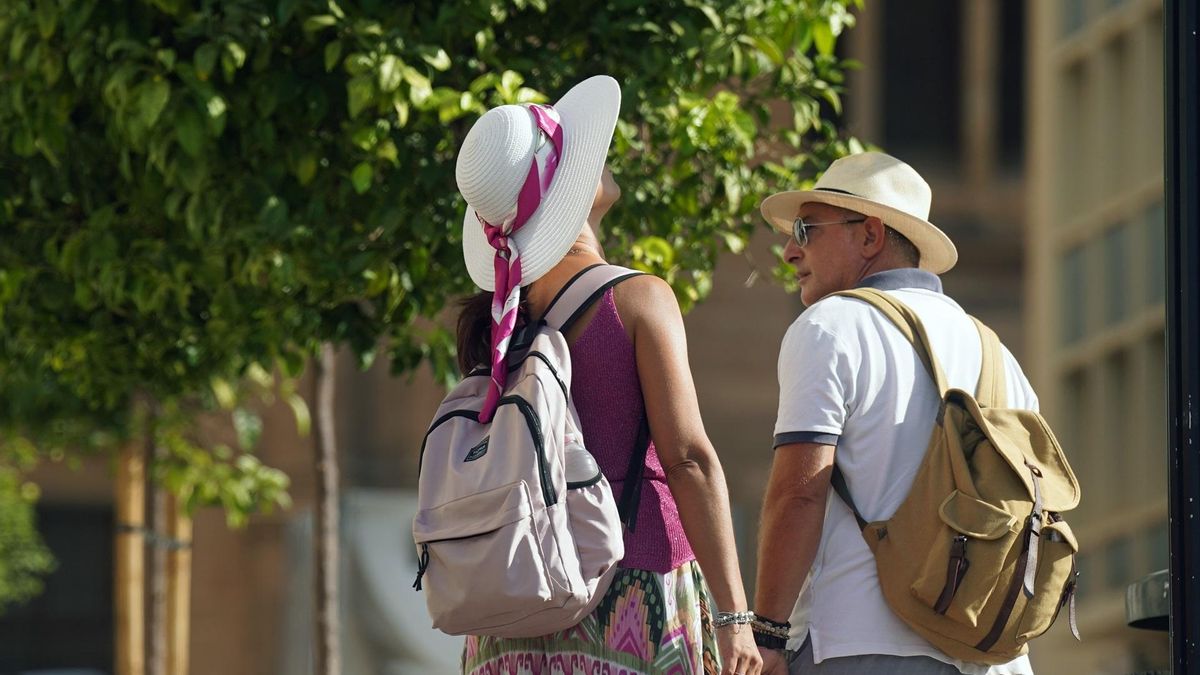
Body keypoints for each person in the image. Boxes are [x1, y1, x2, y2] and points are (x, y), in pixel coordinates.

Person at [452, 74, 762, 675]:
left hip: (509, 616)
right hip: (632, 600)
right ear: (566, 192)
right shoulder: (639, 299)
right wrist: (735, 618)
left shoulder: (494, 319)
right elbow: (689, 460)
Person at [750, 152, 1038, 675]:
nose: (790, 251)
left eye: (806, 229)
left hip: (861, 644)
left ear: (870, 236)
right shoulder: (999, 353)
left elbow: (798, 492)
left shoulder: (831, 326)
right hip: (993, 656)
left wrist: (767, 635)